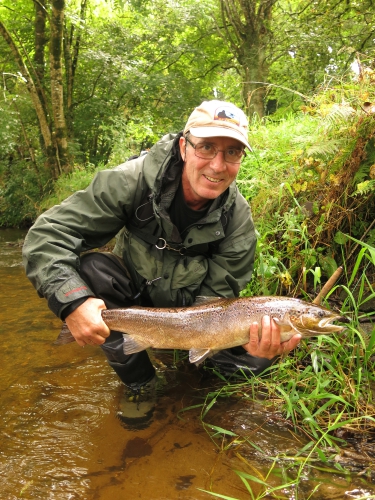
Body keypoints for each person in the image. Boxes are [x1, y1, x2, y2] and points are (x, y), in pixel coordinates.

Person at [23, 100, 300, 423]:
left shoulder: (238, 223)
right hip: (135, 297)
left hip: (196, 313)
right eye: (207, 147)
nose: (217, 165)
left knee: (255, 355)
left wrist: (249, 346)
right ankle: (140, 382)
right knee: (94, 272)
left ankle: (202, 390)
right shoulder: (130, 182)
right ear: (184, 147)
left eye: (232, 152)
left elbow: (219, 305)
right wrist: (72, 303)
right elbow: (48, 234)